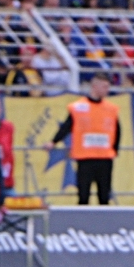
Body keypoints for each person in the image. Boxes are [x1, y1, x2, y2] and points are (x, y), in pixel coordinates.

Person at [47, 73, 121, 204]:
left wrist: (115, 149)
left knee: (104, 196)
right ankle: (82, 223)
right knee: (83, 195)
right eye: (104, 87)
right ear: (94, 86)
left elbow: (117, 130)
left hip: (105, 157)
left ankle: (104, 223)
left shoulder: (111, 109)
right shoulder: (78, 107)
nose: (107, 90)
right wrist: (53, 141)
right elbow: (66, 126)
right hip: (85, 157)